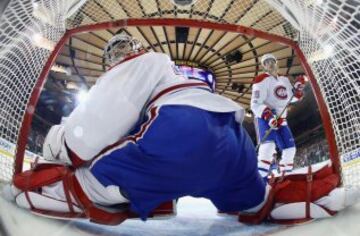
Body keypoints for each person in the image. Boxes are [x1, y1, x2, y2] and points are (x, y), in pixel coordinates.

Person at [2, 34, 358, 225]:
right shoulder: (172, 73)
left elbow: (86, 137)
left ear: (123, 54)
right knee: (257, 201)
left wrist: (54, 149)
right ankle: (306, 200)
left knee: (90, 181)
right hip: (235, 142)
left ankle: (69, 194)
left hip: (181, 137)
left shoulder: (140, 62)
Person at [251, 53, 306, 178]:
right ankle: (259, 182)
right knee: (267, 149)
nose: (269, 64)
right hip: (265, 118)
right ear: (264, 66)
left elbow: (291, 98)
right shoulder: (261, 80)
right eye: (266, 62)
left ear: (276, 62)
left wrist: (298, 89)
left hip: (282, 119)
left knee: (290, 150)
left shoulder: (284, 79)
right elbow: (255, 104)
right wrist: (269, 117)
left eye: (271, 61)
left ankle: (285, 177)